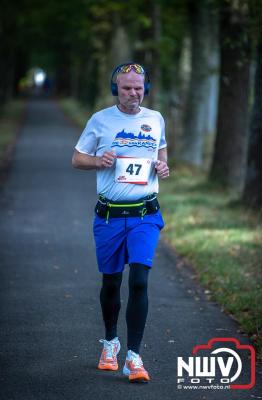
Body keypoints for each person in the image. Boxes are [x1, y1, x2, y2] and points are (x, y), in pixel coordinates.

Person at [72, 62, 169, 382]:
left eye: (138, 88)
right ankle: (110, 342)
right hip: (110, 216)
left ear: (146, 90)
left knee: (139, 279)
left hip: (145, 214)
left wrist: (162, 167)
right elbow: (77, 159)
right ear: (116, 89)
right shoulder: (100, 120)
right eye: (126, 88)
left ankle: (134, 357)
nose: (133, 94)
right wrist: (99, 160)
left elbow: (162, 154)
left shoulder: (155, 119)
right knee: (112, 282)